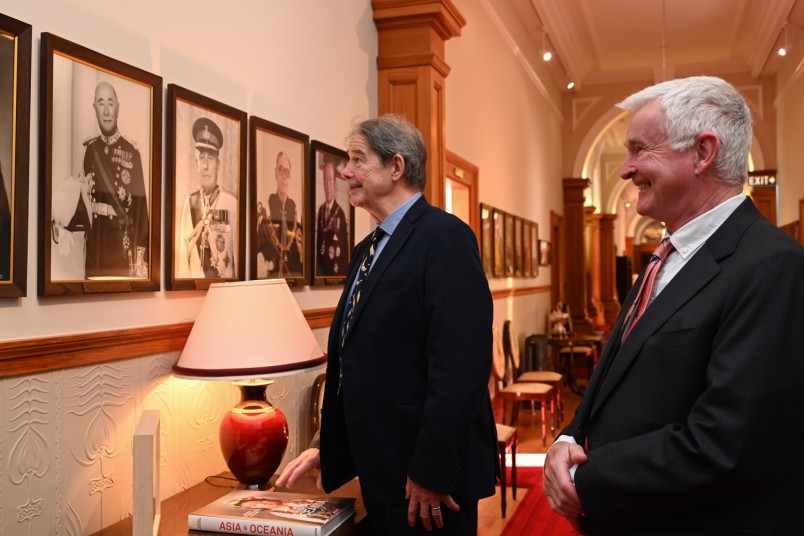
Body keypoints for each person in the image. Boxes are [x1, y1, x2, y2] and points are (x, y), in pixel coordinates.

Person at [542, 76, 804, 535]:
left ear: (703, 153)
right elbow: (617, 370)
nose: (625, 169)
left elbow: (728, 443)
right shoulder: (665, 255)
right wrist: (569, 436)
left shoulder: (772, 266)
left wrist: (589, 479)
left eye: (640, 149)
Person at [277, 115, 498, 534]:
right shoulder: (367, 249)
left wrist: (430, 470)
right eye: (347, 161)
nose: (345, 172)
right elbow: (361, 363)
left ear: (396, 167)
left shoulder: (445, 238)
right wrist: (330, 446)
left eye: (358, 159)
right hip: (381, 474)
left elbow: (461, 371)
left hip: (427, 485)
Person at [82, 81, 149, 278]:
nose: (106, 111)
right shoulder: (90, 151)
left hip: (121, 245)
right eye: (101, 103)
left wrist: (139, 256)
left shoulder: (131, 152)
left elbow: (140, 207)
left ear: (118, 108)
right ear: (95, 109)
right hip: (95, 246)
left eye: (110, 103)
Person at [178, 117, 237, 279]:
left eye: (210, 158)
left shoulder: (231, 204)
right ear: (196, 163)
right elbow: (184, 260)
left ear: (218, 164)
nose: (205, 166)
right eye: (202, 158)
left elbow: (237, 259)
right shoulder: (189, 203)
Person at [256, 151, 303, 277]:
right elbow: (258, 250)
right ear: (275, 173)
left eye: (287, 172)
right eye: (281, 170)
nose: (284, 176)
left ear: (290, 178)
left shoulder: (296, 212)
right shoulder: (266, 208)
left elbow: (301, 256)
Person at [315, 159, 348, 277]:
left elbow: (344, 251)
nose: (328, 185)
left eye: (330, 180)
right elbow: (319, 244)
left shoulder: (340, 213)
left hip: (336, 270)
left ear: (334, 183)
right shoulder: (321, 210)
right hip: (322, 271)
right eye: (325, 180)